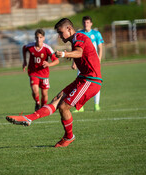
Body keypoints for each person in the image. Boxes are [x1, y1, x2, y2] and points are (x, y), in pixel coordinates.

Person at [6, 18, 102, 147]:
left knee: (63, 107)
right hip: (83, 79)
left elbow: (80, 52)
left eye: (60, 32)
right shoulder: (75, 40)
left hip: (91, 80)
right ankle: (29, 118)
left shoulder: (79, 36)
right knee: (56, 100)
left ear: (69, 29)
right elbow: (82, 54)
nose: (59, 36)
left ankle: (69, 137)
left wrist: (64, 53)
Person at [72, 16, 104, 112]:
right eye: (84, 22)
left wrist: (99, 59)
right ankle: (80, 106)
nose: (86, 24)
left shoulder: (96, 34)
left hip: (93, 63)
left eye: (88, 22)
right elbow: (76, 50)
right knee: (79, 83)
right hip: (82, 63)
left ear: (91, 23)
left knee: (95, 82)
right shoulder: (79, 34)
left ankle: (96, 104)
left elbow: (100, 47)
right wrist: (74, 62)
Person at [23, 29, 59, 111]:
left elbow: (57, 60)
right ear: (35, 38)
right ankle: (37, 103)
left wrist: (49, 64)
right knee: (35, 90)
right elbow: (24, 48)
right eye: (37, 37)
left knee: (44, 94)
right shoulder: (30, 47)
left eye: (40, 37)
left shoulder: (47, 48)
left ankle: (43, 107)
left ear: (44, 38)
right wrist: (25, 61)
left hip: (44, 74)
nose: (38, 39)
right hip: (33, 72)